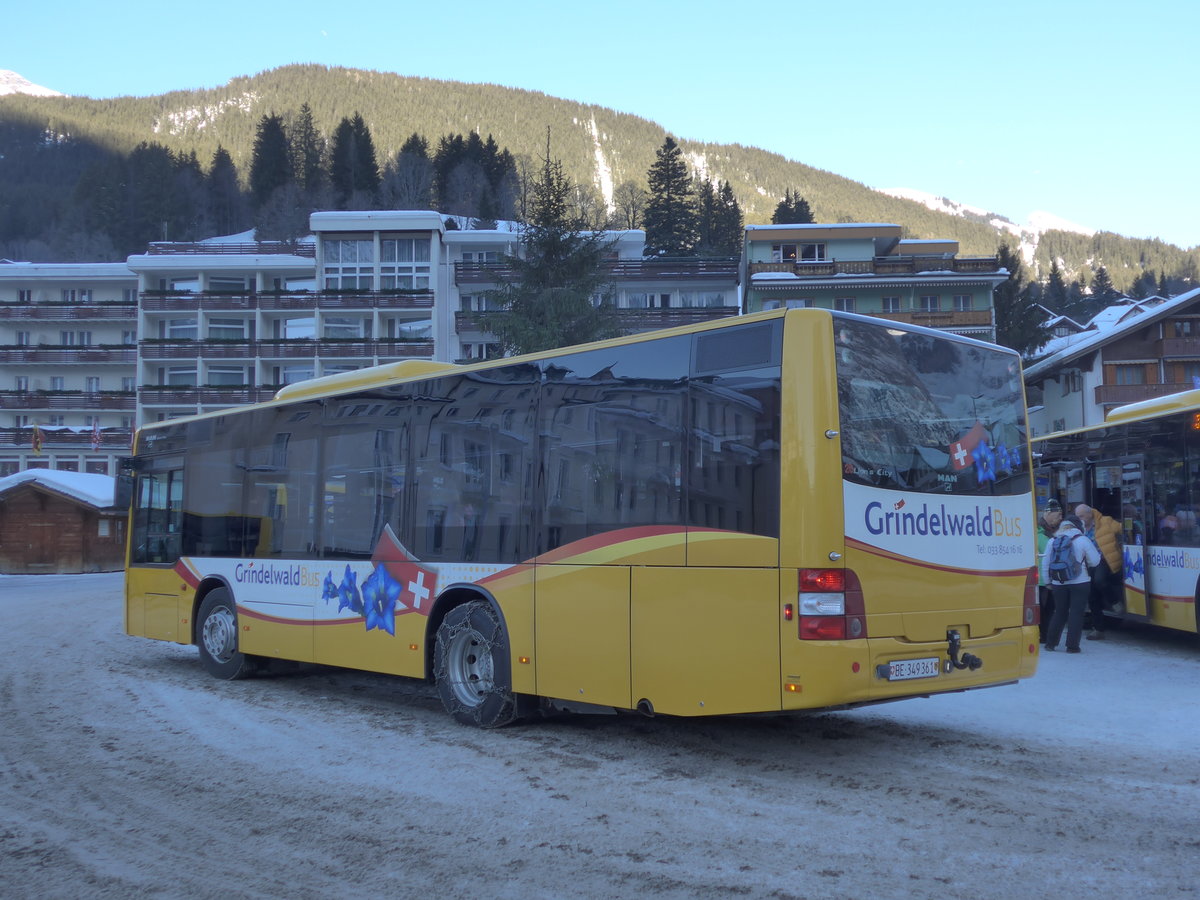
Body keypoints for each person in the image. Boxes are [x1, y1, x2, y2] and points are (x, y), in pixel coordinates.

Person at [1042, 514, 1101, 653]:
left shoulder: (1053, 540)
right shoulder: (1083, 539)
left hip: (1058, 582)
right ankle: (1072, 646)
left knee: (1059, 612)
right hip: (1080, 582)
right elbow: (1095, 561)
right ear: (1078, 526)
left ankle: (1050, 644)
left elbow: (1045, 563)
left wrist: (1048, 581)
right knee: (1076, 613)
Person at [1075, 503, 1122, 640]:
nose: (1079, 519)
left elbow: (1123, 529)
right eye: (1078, 516)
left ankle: (1114, 602)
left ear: (1090, 514)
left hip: (1104, 558)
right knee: (1091, 595)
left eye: (1081, 516)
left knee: (1099, 580)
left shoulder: (1105, 521)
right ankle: (1098, 629)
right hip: (1087, 563)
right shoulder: (1078, 528)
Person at [1036, 499, 1063, 641]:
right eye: (1058, 515)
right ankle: (1044, 635)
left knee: (1048, 609)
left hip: (1047, 577)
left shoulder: (1051, 530)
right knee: (1046, 609)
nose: (1061, 518)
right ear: (1048, 513)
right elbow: (1049, 551)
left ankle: (1045, 635)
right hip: (1042, 579)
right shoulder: (1040, 533)